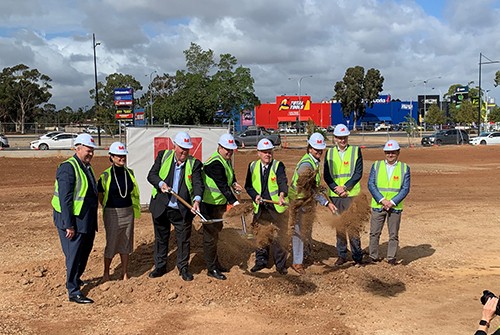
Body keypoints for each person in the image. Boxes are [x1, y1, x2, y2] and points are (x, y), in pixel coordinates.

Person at [147, 131, 204, 281]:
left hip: (182, 209)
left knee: (183, 239)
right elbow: (151, 175)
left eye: (187, 148)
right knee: (161, 238)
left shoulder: (194, 163)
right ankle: (160, 266)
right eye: (181, 148)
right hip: (162, 205)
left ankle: (183, 268)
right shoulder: (163, 156)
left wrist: (197, 200)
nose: (184, 152)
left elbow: (198, 184)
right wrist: (161, 184)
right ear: (175, 146)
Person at [52, 133, 98, 304]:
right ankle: (73, 290)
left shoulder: (86, 166)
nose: (91, 154)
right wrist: (69, 225)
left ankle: (76, 278)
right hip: (72, 221)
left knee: (84, 252)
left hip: (86, 220)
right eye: (88, 150)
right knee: (73, 254)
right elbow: (65, 199)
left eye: (92, 151)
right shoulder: (68, 167)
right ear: (77, 148)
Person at [289, 133, 337, 275]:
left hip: (306, 202)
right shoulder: (306, 165)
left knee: (306, 229)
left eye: (320, 149)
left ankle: (305, 256)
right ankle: (297, 262)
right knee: (299, 231)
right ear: (309, 148)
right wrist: (326, 203)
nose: (319, 152)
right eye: (316, 149)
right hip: (298, 202)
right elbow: (310, 190)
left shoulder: (313, 162)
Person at [201, 133, 243, 280]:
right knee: (210, 237)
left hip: (218, 203)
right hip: (208, 204)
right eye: (227, 149)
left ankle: (215, 263)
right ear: (219, 146)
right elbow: (222, 185)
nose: (229, 153)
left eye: (231, 150)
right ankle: (211, 268)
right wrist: (235, 202)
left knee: (216, 234)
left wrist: (234, 182)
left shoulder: (225, 160)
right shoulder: (215, 163)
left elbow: (228, 176)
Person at [244, 138, 289, 275]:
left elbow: (282, 181)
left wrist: (282, 194)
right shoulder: (252, 166)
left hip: (276, 208)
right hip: (261, 208)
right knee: (260, 235)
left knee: (278, 236)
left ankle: (280, 265)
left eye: (269, 152)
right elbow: (248, 186)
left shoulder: (278, 166)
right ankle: (261, 262)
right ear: (258, 153)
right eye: (264, 152)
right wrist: (255, 196)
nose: (267, 155)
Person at [98, 142, 140, 282]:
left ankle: (124, 273)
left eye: (123, 155)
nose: (122, 158)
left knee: (126, 243)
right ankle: (106, 273)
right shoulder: (105, 175)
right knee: (112, 242)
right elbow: (100, 194)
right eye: (118, 155)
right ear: (111, 157)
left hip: (128, 212)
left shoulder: (130, 173)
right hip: (112, 213)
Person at [324, 124, 364, 266]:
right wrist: (336, 188)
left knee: (353, 226)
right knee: (339, 226)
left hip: (350, 194)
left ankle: (357, 256)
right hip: (335, 195)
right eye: (340, 138)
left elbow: (358, 172)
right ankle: (342, 255)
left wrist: (345, 187)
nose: (342, 140)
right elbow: (327, 175)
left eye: (344, 137)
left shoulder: (355, 151)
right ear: (334, 138)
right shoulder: (329, 153)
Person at [367, 140, 410, 265]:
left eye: (393, 152)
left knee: (393, 234)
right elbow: (371, 184)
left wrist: (392, 202)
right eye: (388, 152)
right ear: (384, 153)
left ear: (398, 153)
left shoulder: (404, 168)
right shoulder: (376, 165)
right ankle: (373, 256)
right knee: (374, 233)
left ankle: (391, 258)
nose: (390, 155)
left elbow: (405, 189)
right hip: (378, 205)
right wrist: (382, 200)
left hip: (395, 207)